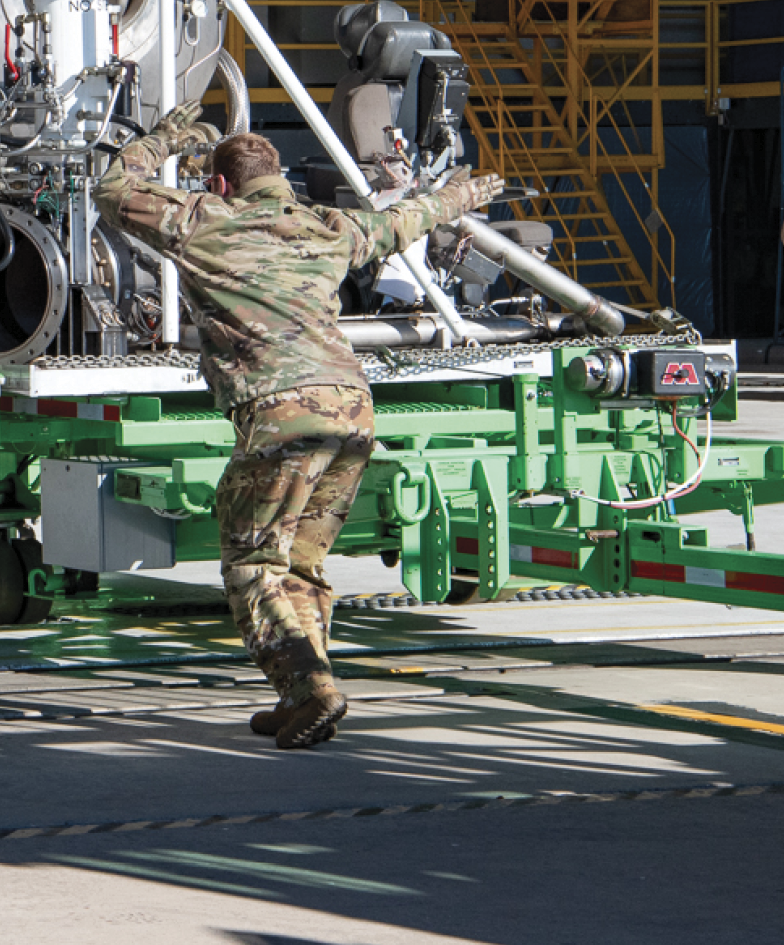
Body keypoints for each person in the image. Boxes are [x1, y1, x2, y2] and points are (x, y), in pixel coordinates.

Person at [97, 104, 504, 750]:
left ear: (222, 184)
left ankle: (309, 689)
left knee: (253, 561)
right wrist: (457, 197)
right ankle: (302, 693)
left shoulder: (204, 220)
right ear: (278, 175)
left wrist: (168, 138)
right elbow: (401, 222)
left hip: (282, 414)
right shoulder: (328, 227)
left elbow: (113, 188)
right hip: (353, 411)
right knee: (303, 564)